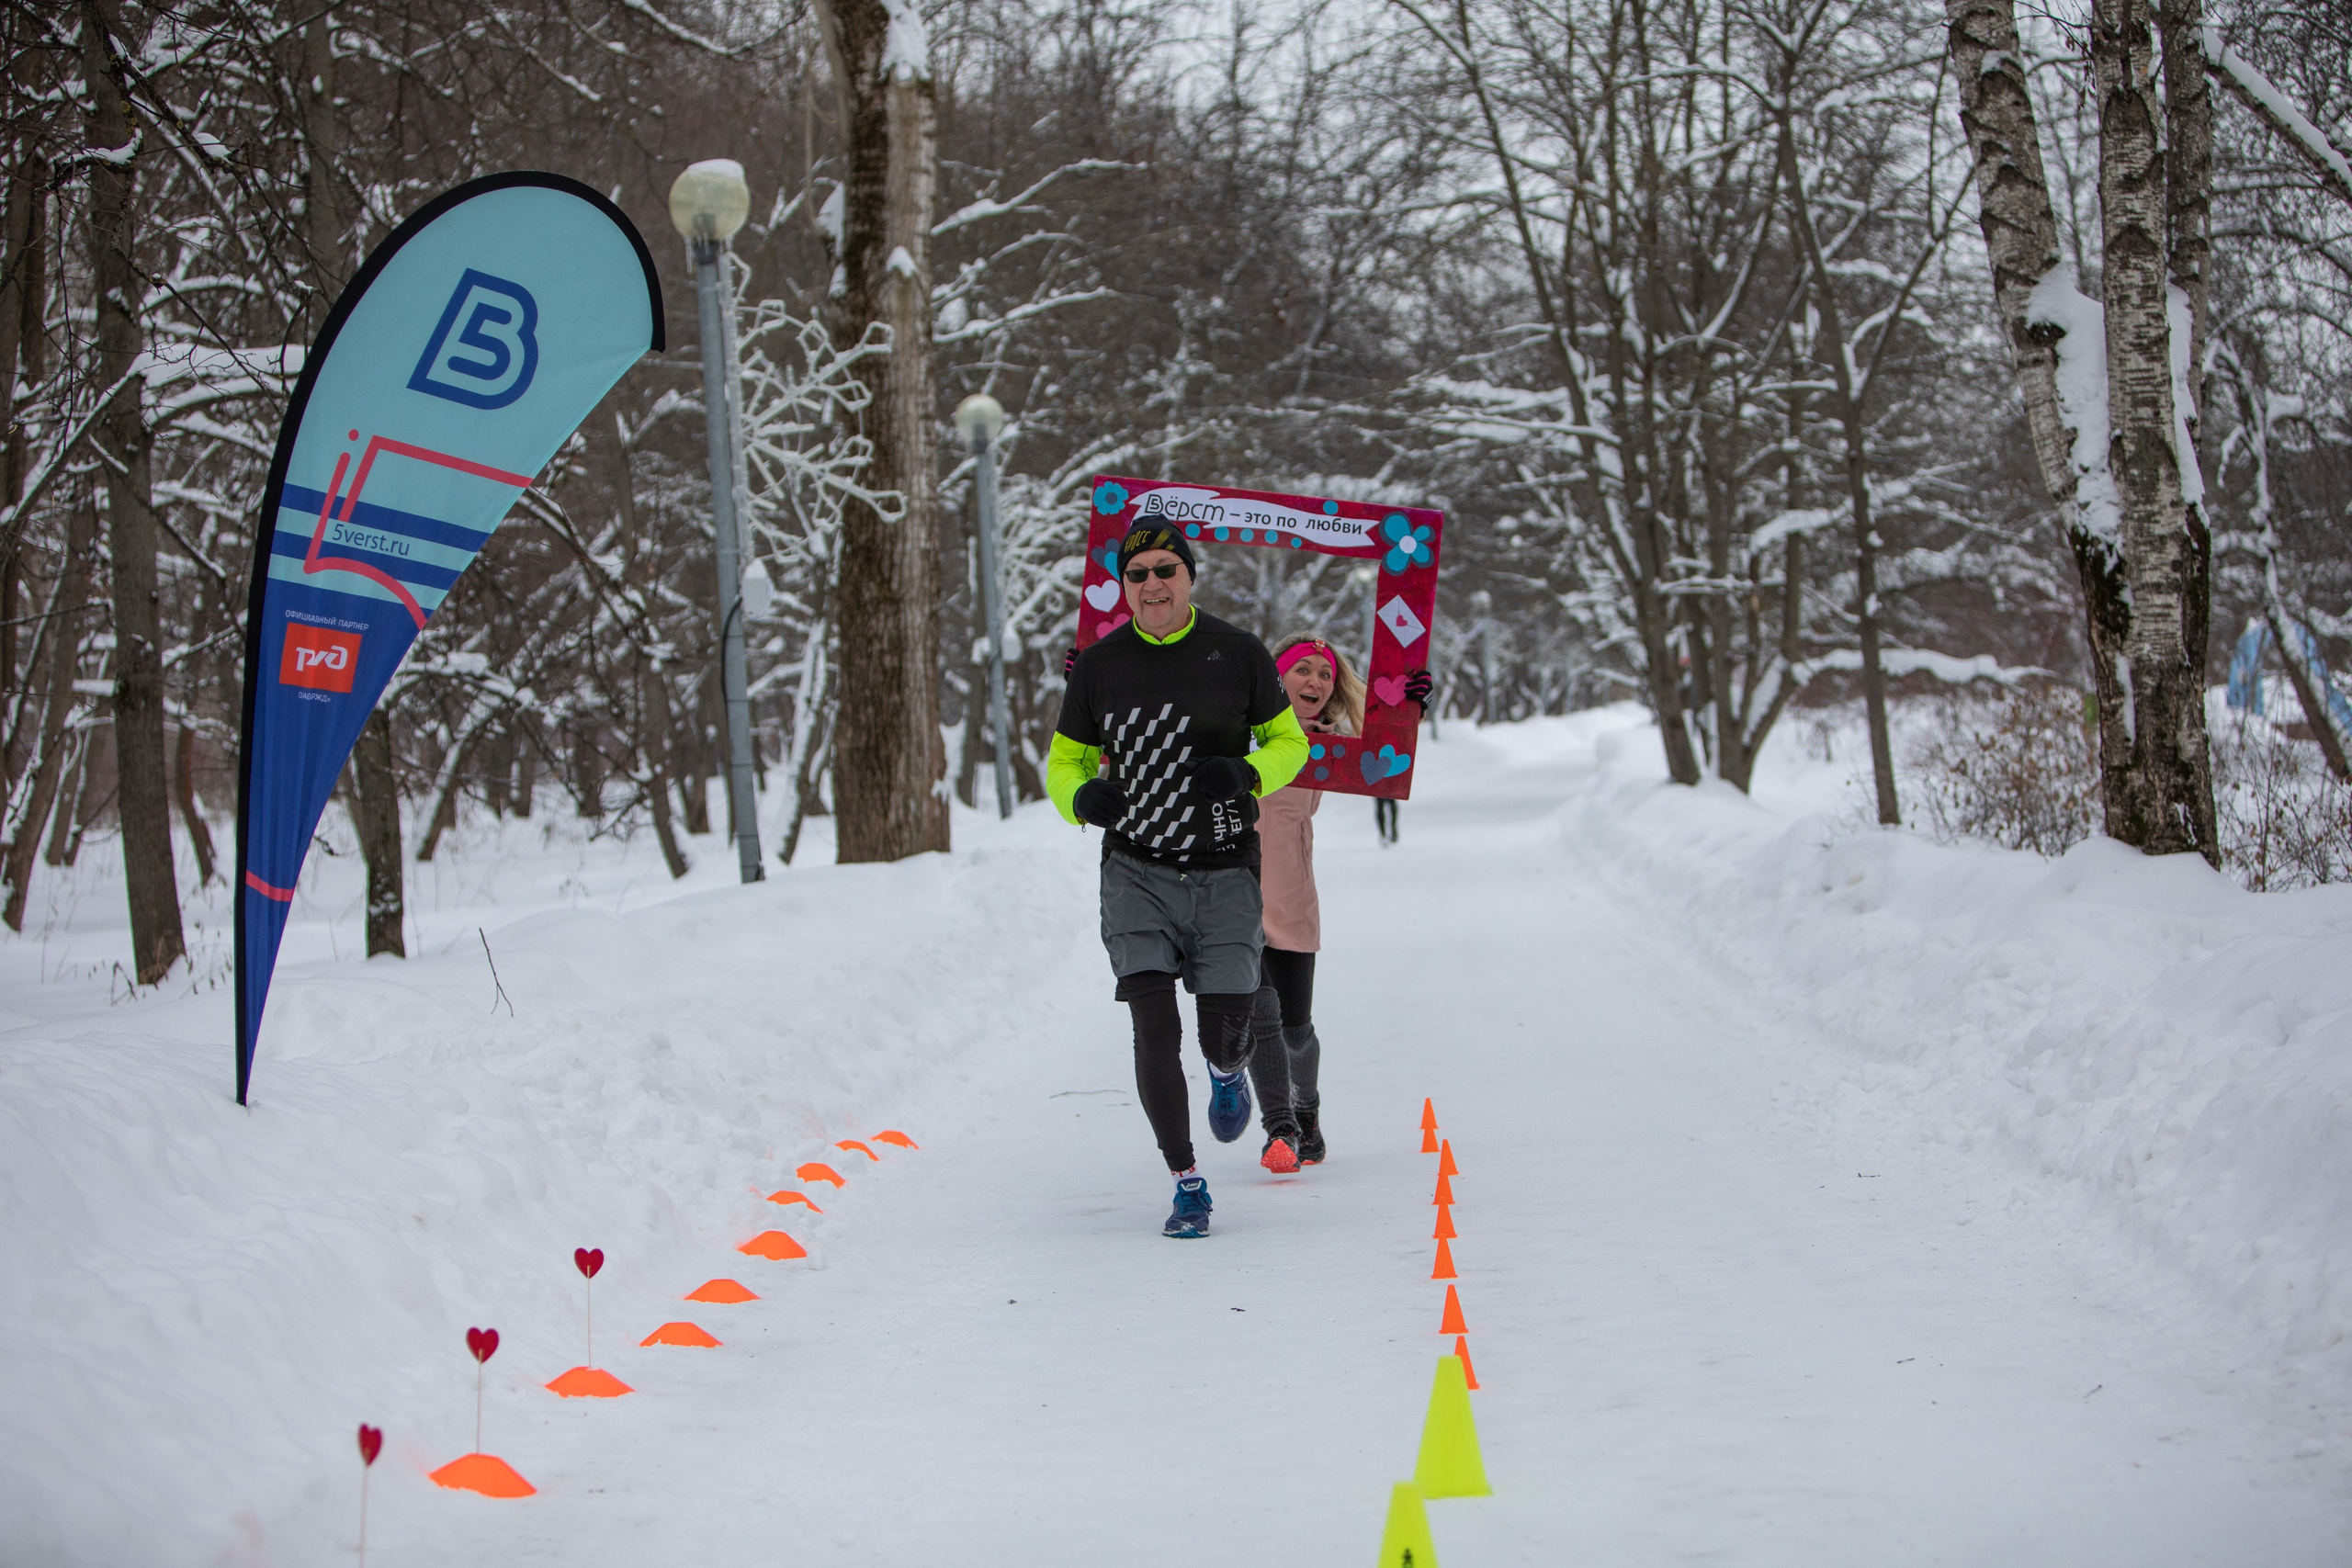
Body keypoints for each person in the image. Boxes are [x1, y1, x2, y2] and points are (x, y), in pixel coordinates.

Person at [1047, 525, 1310, 1238]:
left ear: (1190, 576)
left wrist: (1250, 771)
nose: (1152, 584)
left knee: (1221, 1036)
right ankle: (1186, 1181)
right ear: (1122, 585)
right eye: (1137, 574)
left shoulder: (1239, 652)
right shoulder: (1100, 666)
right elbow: (1064, 760)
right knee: (1151, 1026)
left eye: (1166, 569)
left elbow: (1293, 742)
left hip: (1224, 870)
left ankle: (1229, 1073)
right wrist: (1078, 797)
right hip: (1136, 870)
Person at [1242, 637, 1428, 1170]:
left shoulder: (1327, 746)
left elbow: (1386, 762)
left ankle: (1308, 1111)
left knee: (1297, 1029)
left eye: (1326, 675)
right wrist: (1091, 678)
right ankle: (1280, 1132)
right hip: (1231, 892)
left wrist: (1407, 710)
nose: (1317, 682)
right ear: (1277, 679)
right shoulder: (1238, 733)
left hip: (1292, 892)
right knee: (1262, 1019)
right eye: (1303, 670)